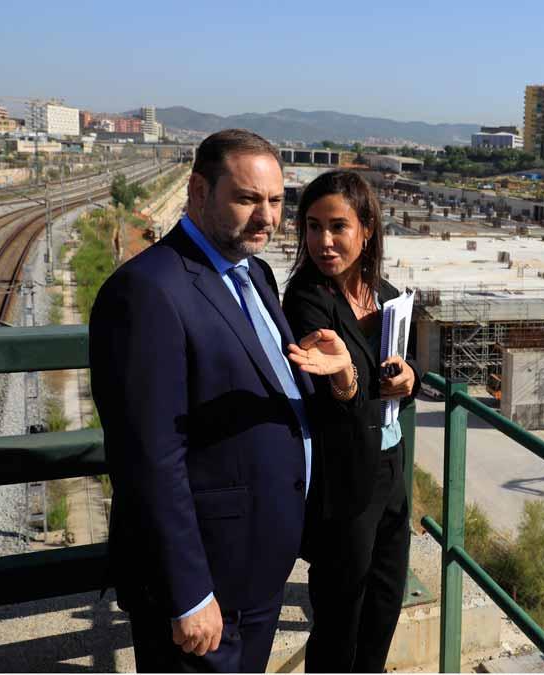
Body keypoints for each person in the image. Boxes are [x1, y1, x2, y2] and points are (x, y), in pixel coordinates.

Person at [91, 129, 342, 672]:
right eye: (248, 199)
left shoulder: (256, 274)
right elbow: (149, 460)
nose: (267, 217)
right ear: (198, 191)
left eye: (276, 201)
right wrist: (188, 594)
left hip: (257, 569)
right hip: (205, 584)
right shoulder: (147, 291)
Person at [282, 171, 422, 673]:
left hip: (389, 470)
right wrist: (345, 380)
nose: (324, 241)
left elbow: (413, 366)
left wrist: (410, 379)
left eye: (337, 226)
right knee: (341, 616)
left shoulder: (385, 293)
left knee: (384, 601)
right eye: (313, 227)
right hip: (343, 482)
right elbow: (328, 398)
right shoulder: (306, 299)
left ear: (366, 229)